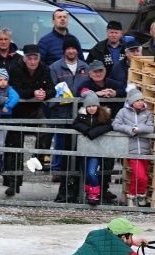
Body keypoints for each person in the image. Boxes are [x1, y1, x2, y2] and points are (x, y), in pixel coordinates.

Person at [7, 44, 56, 196]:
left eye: (35, 58)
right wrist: (32, 93)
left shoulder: (45, 69)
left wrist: (44, 94)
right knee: (14, 147)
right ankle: (14, 181)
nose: (33, 62)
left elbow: (52, 89)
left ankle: (37, 158)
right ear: (24, 58)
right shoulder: (15, 68)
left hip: (36, 110)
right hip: (18, 111)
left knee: (45, 130)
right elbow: (14, 88)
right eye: (30, 58)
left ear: (39, 59)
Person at [50, 35, 89, 199]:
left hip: (82, 117)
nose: (71, 51)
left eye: (74, 48)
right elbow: (52, 92)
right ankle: (63, 190)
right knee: (64, 154)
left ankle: (77, 190)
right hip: (64, 117)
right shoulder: (55, 68)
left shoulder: (85, 67)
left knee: (80, 154)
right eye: (68, 48)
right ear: (64, 50)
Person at [113, 87, 155, 207]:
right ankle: (132, 196)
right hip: (131, 150)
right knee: (140, 176)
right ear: (131, 102)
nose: (140, 102)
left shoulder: (147, 113)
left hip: (145, 150)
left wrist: (138, 129)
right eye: (137, 100)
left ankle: (139, 195)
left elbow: (151, 128)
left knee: (141, 177)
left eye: (142, 100)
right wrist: (130, 130)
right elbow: (116, 125)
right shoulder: (123, 112)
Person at [72, 91, 113, 205]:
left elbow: (109, 126)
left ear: (98, 106)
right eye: (89, 106)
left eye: (94, 106)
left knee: (91, 172)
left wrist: (94, 132)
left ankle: (95, 194)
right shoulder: (81, 116)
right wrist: (86, 130)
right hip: (84, 149)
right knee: (86, 173)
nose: (91, 108)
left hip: (96, 150)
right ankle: (90, 192)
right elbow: (75, 124)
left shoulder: (103, 116)